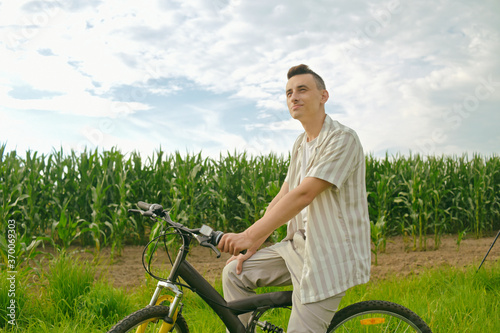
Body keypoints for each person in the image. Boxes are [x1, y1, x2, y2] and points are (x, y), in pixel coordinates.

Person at [218, 64, 371, 332]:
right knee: (234, 273)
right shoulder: (301, 144)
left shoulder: (342, 139)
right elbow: (285, 193)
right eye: (288, 93)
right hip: (297, 247)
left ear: (323, 96)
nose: (294, 97)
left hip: (328, 257)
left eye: (302, 90)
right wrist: (254, 243)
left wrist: (248, 236)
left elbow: (304, 193)